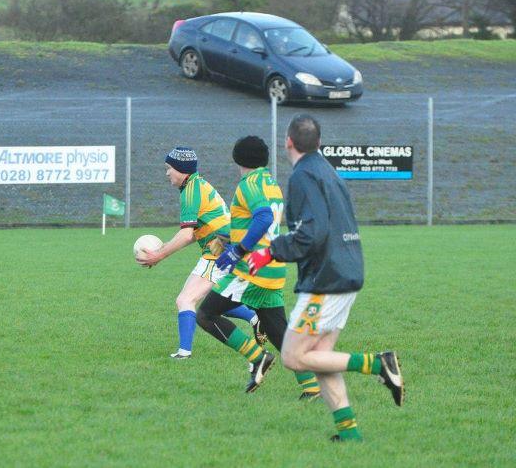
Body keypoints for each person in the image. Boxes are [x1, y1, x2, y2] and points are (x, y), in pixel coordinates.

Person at [247, 115, 404, 441]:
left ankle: (378, 364)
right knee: (321, 358)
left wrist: (269, 252)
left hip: (326, 279)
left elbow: (311, 234)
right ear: (318, 143)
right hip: (346, 271)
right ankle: (349, 435)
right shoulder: (328, 171)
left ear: (288, 142)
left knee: (293, 356)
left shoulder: (303, 176)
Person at [195, 136, 320, 397]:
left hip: (251, 269)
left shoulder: (248, 184)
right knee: (277, 331)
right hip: (272, 267)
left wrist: (238, 250)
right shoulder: (270, 183)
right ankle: (312, 386)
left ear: (237, 158)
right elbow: (258, 222)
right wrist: (229, 239)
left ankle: (257, 357)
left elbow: (263, 218)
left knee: (205, 314)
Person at [137, 147, 265, 359]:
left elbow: (186, 234)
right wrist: (164, 247)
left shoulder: (190, 191)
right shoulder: (198, 184)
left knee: (185, 300)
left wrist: (158, 256)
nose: (167, 173)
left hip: (218, 251)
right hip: (227, 248)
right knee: (213, 301)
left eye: (169, 168)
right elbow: (195, 233)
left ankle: (184, 353)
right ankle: (255, 317)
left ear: (181, 169)